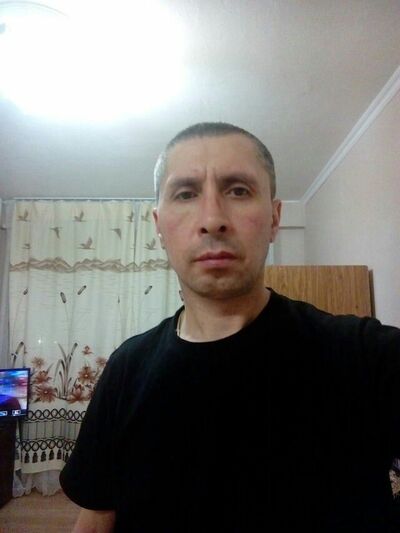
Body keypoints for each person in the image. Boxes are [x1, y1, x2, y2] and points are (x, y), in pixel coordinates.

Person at [60, 122, 400, 532]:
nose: (212, 219)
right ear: (159, 226)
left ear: (274, 219)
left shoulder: (366, 355)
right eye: (185, 194)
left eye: (238, 190)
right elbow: (97, 514)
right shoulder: (126, 368)